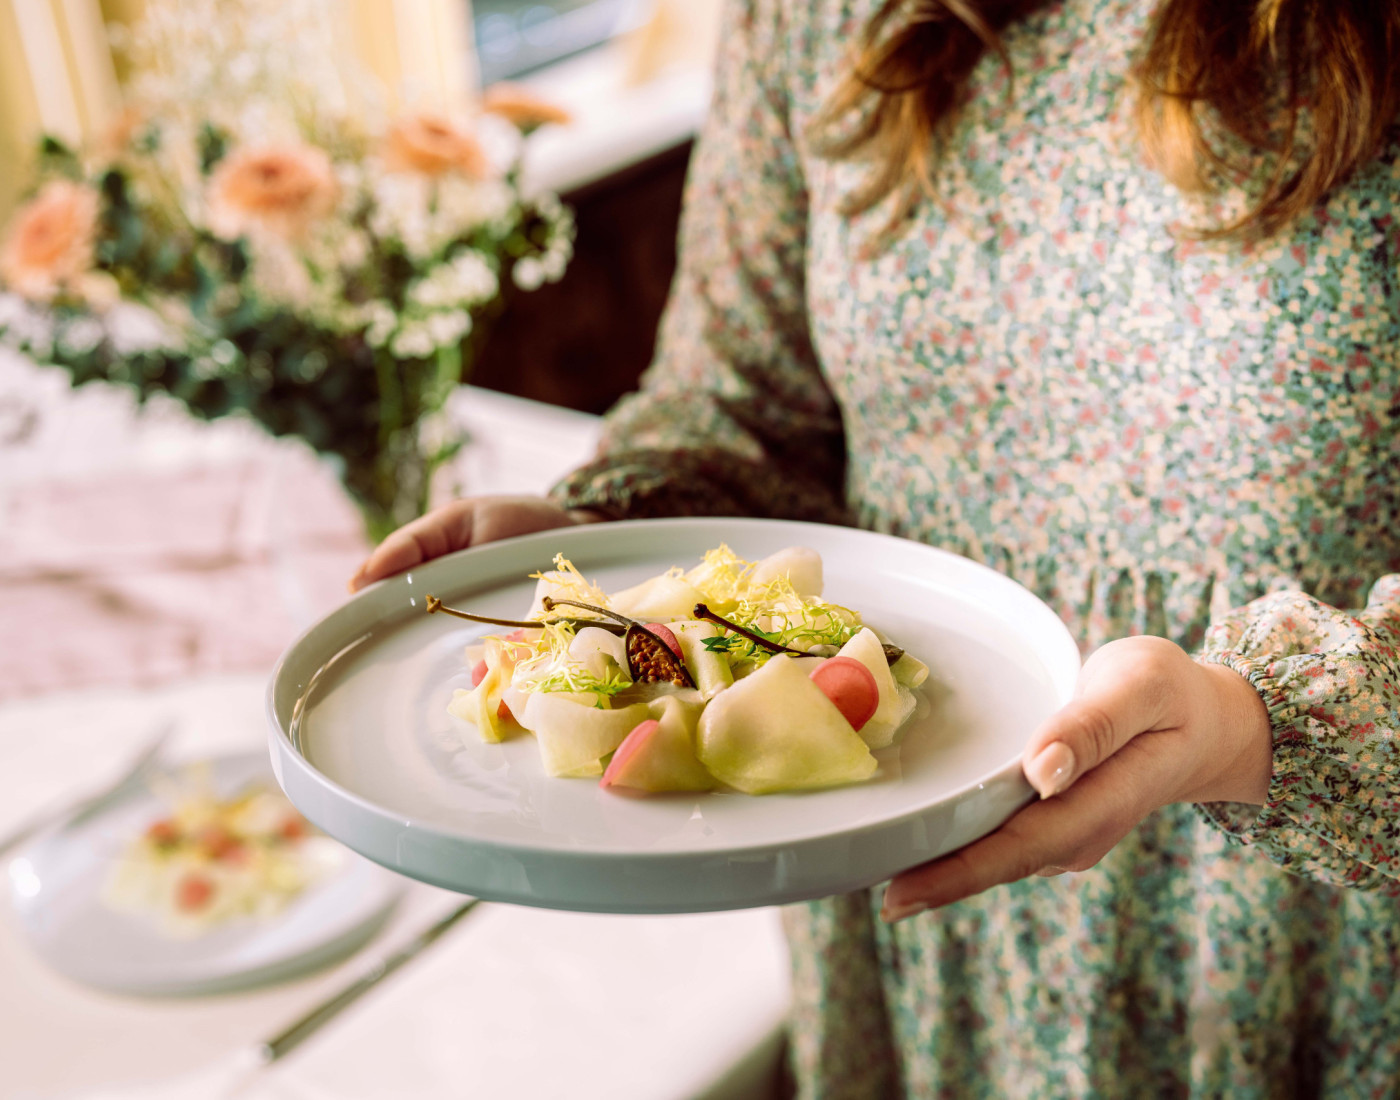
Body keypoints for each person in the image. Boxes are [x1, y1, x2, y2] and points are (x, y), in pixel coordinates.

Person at [352, 0, 1400, 1094]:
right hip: (909, 918)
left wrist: (1252, 726)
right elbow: (740, 402)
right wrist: (609, 531)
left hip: (1301, 929)